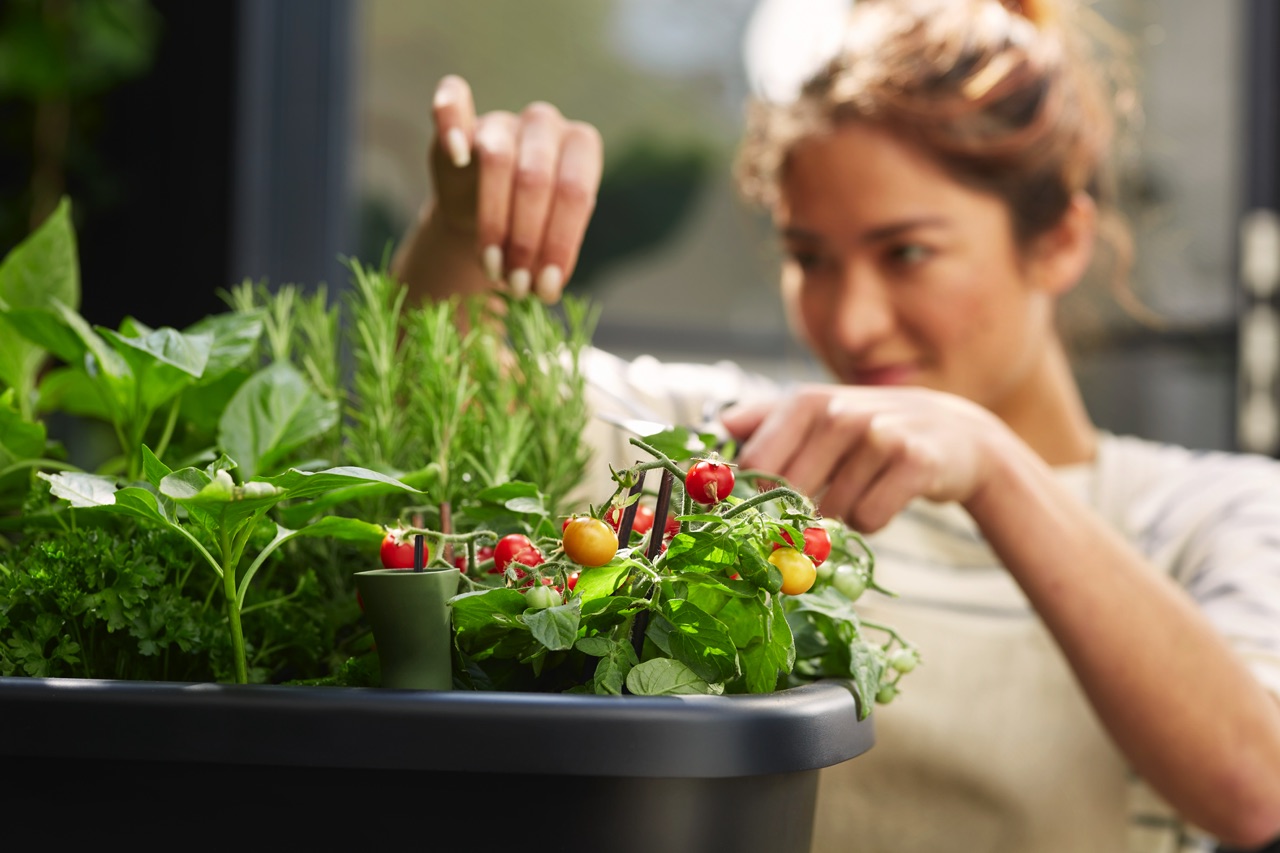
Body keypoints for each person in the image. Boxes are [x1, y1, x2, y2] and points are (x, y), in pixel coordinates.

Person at [391, 0, 1280, 850]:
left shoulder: (1202, 512)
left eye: (908, 253)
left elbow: (1252, 786)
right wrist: (468, 227)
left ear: (1059, 242)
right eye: (809, 257)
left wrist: (994, 468)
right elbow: (452, 413)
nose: (850, 321)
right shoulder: (727, 454)